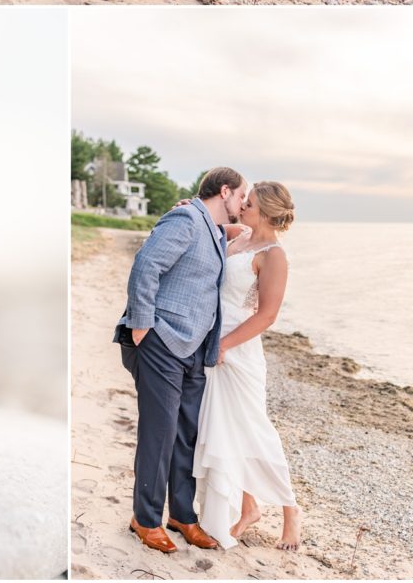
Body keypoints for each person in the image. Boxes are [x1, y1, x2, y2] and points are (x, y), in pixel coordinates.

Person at [114, 167, 246, 554]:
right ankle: (146, 518)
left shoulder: (218, 230)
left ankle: (182, 516)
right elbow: (146, 266)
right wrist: (141, 326)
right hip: (161, 340)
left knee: (186, 433)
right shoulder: (186, 217)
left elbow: (256, 233)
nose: (243, 203)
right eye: (242, 196)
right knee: (159, 431)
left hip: (194, 349)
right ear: (225, 191)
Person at [193, 181, 303, 551]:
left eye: (250, 204)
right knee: (222, 429)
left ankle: (290, 511)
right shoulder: (238, 236)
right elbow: (206, 229)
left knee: (253, 429)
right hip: (211, 340)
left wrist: (225, 344)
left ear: (269, 212)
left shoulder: (275, 255)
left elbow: (267, 315)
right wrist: (189, 208)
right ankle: (248, 508)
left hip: (237, 348)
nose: (242, 207)